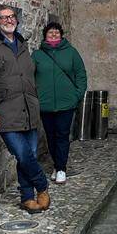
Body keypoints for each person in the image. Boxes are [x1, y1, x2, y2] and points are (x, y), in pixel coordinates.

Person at [0, 5, 50, 213]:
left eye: (12, 17)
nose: (9, 20)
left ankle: (27, 197)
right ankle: (42, 186)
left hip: (29, 109)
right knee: (23, 153)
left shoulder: (22, 43)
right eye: (4, 17)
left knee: (30, 154)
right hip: (5, 110)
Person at [33, 21, 87, 184]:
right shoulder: (37, 55)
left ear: (61, 35)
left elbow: (81, 75)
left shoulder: (71, 53)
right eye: (50, 33)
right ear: (45, 36)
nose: (54, 35)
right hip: (46, 103)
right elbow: (29, 77)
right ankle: (57, 165)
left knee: (62, 135)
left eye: (57, 33)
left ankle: (61, 168)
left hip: (66, 103)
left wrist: (76, 95)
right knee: (51, 136)